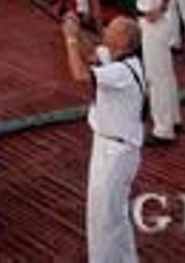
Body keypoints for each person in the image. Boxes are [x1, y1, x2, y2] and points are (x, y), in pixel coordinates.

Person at [62, 13, 145, 263]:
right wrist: (77, 31)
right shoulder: (122, 59)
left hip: (114, 152)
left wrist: (69, 39)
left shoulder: (121, 71)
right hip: (112, 147)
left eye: (111, 29)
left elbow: (79, 73)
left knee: (102, 219)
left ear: (123, 40)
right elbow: (93, 51)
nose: (106, 29)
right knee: (115, 215)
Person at [128, 0, 179, 145]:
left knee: (155, 75)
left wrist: (161, 6)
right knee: (165, 72)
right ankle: (173, 117)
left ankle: (163, 129)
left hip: (152, 19)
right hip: (157, 18)